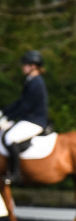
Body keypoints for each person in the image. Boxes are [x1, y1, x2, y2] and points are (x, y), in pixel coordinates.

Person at [1, 50, 49, 185]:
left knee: (10, 138)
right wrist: (3, 112)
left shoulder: (37, 82)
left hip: (35, 121)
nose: (23, 67)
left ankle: (16, 174)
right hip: (29, 118)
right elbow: (20, 102)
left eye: (25, 64)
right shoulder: (31, 80)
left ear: (33, 66)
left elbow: (26, 106)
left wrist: (8, 118)